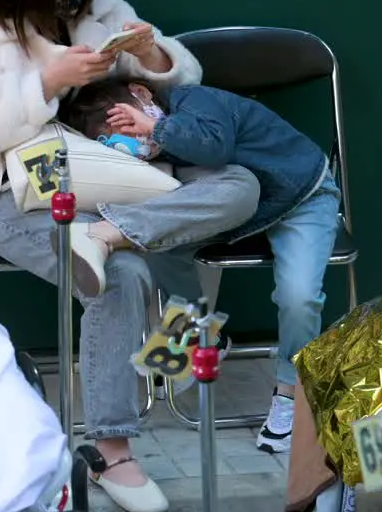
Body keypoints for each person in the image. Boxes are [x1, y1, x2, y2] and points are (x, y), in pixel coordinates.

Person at [0, 0, 261, 512]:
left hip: (117, 175)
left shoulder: (99, 1)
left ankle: (113, 235)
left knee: (239, 183)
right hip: (14, 181)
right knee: (120, 274)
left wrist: (154, 53)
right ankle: (112, 449)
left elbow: (178, 79)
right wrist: (47, 82)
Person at [62, 77, 342, 453]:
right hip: (242, 208)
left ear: (143, 94)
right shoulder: (156, 148)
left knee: (299, 295)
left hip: (300, 195)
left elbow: (213, 147)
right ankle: (200, 334)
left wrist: (154, 127)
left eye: (128, 125)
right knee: (160, 241)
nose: (133, 140)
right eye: (114, 139)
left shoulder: (195, 101)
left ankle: (290, 395)